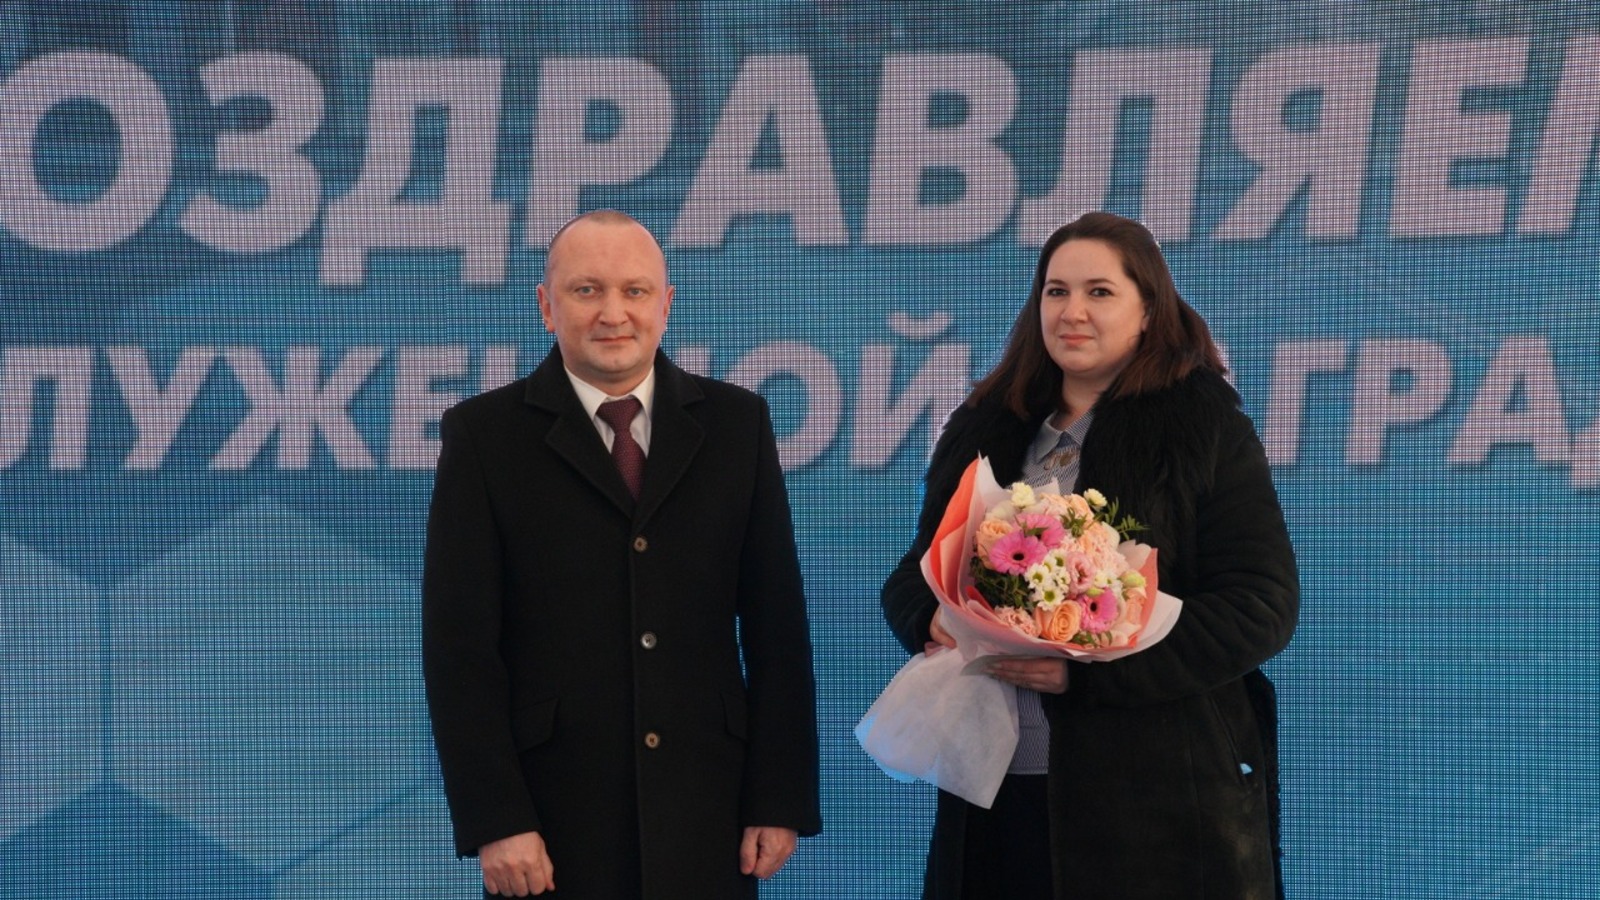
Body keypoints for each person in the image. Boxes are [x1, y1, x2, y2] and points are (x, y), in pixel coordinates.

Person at [880, 211, 1299, 899]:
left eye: (1099, 292)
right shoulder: (987, 426)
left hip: (1156, 808)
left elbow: (1260, 606)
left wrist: (1089, 671)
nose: (1072, 312)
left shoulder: (1203, 428)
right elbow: (914, 575)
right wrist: (935, 618)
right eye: (1057, 291)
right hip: (996, 795)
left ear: (1148, 310)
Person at [423, 210, 821, 898]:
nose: (614, 313)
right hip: (551, 823)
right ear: (546, 306)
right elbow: (460, 650)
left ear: (666, 305)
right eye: (587, 290)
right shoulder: (484, 436)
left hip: (709, 812)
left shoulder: (738, 425)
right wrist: (497, 818)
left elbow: (776, 627)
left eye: (635, 291)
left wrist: (778, 797)